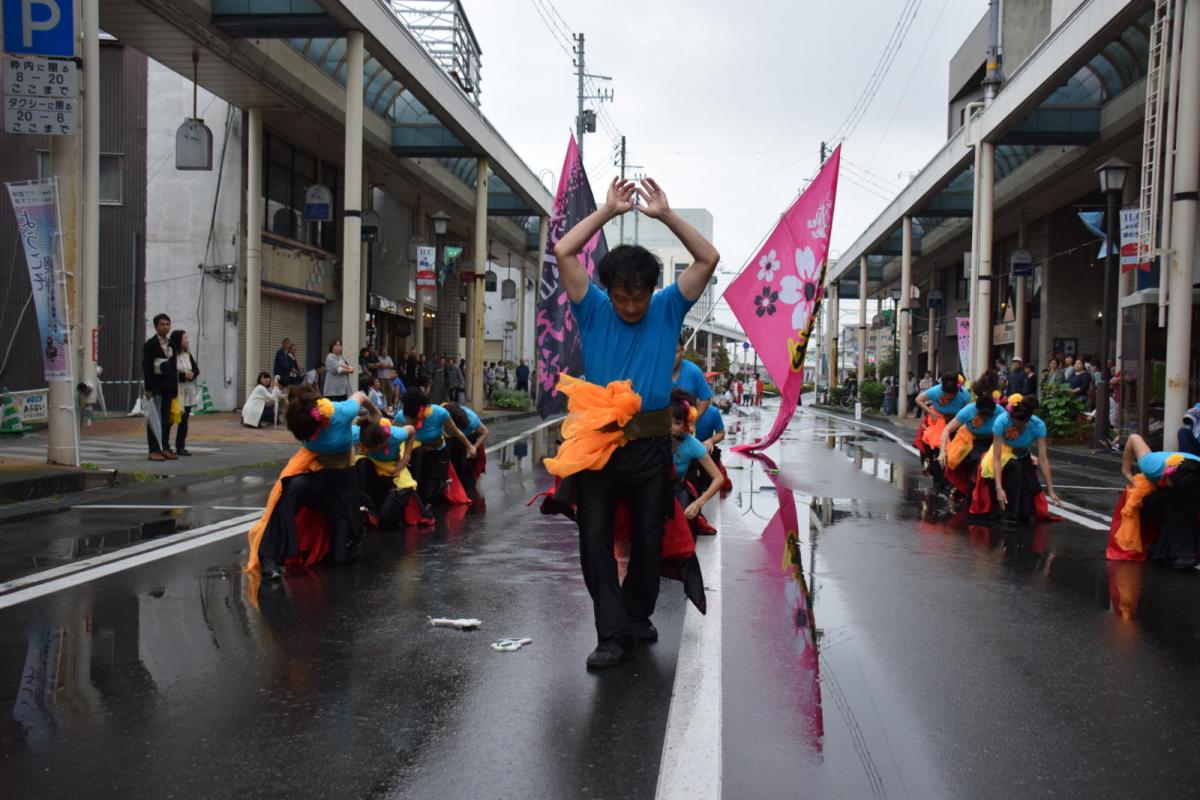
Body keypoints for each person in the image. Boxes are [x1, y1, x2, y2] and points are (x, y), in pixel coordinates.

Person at [547, 176, 719, 670]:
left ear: (651, 291)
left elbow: (708, 258)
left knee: (648, 537)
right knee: (594, 537)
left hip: (650, 447)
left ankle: (636, 614)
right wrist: (607, 212)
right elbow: (563, 250)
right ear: (608, 291)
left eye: (638, 297)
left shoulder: (667, 308)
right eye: (621, 296)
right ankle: (611, 634)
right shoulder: (593, 308)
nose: (629, 306)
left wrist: (665, 215)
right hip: (598, 446)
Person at [246, 384, 378, 580]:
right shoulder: (303, 425)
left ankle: (359, 518)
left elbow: (360, 395)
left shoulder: (341, 413)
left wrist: (376, 414)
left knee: (340, 559)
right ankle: (269, 557)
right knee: (290, 488)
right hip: (318, 475)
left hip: (344, 481)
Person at [1108, 434, 1200, 569]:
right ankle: (1165, 547)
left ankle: (1179, 551)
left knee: (1186, 511)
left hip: (1192, 484)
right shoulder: (1151, 465)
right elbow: (1133, 437)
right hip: (1163, 490)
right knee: (1167, 509)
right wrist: (1125, 469)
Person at [969, 394, 1063, 523]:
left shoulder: (1038, 426)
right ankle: (1005, 512)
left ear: (1028, 420)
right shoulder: (1001, 421)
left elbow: (1043, 459)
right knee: (1015, 468)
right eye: (1014, 423)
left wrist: (1051, 490)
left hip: (1023, 454)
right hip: (1003, 453)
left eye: (1021, 425)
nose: (1018, 427)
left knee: (1029, 501)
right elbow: (996, 457)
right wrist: (999, 488)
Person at [401, 389, 476, 509]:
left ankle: (438, 490)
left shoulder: (440, 413)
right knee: (415, 486)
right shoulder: (402, 416)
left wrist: (470, 446)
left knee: (432, 493)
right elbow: (392, 435)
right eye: (411, 419)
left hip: (437, 454)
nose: (414, 423)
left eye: (416, 420)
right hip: (416, 455)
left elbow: (456, 431)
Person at [668, 389, 725, 537]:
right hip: (652, 491)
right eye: (667, 421)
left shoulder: (692, 444)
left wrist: (698, 503)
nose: (671, 427)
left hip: (678, 490)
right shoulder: (652, 439)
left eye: (677, 423)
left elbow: (718, 478)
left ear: (685, 424)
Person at [938, 372, 1003, 499]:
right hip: (971, 442)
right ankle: (971, 492)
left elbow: (1013, 434)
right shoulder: (969, 410)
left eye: (988, 415)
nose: (985, 418)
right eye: (982, 415)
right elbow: (947, 430)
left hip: (994, 442)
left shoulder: (1001, 412)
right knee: (974, 462)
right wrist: (942, 452)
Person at [353, 415, 422, 529]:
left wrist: (405, 459)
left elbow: (412, 429)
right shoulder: (357, 435)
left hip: (392, 467)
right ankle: (366, 507)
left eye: (378, 447)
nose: (377, 450)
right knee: (361, 462)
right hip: (373, 466)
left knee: (386, 520)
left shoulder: (395, 435)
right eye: (373, 449)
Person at [913, 371, 972, 485]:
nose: (948, 397)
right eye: (946, 394)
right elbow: (918, 399)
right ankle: (930, 465)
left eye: (951, 395)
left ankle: (949, 478)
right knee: (929, 445)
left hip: (954, 421)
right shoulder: (936, 391)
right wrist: (931, 413)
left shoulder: (964, 395)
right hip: (936, 419)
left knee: (953, 450)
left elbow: (968, 412)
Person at [142, 313, 177, 461]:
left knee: (166, 419)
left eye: (168, 324)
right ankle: (154, 449)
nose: (165, 327)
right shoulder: (150, 344)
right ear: (156, 326)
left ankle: (165, 447)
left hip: (168, 386)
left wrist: (175, 388)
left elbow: (174, 368)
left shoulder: (172, 344)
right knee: (154, 418)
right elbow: (147, 367)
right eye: (162, 324)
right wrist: (149, 388)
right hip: (156, 386)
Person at [445, 390, 490, 498]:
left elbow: (485, 432)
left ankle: (470, 485)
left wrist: (473, 447)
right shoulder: (444, 415)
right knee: (451, 457)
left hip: (470, 437)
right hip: (451, 438)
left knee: (467, 460)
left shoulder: (472, 420)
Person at [169, 330, 200, 456]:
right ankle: (165, 445)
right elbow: (171, 372)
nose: (187, 340)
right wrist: (182, 375)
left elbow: (196, 370)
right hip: (176, 391)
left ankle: (180, 446)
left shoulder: (188, 354)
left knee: (184, 420)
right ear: (179, 341)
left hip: (188, 391)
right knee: (171, 419)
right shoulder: (172, 355)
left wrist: (192, 375)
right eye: (185, 338)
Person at [690, 400, 729, 495]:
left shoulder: (713, 412)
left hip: (704, 450)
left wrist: (711, 440)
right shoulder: (682, 409)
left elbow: (721, 433)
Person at [671, 336, 713, 417]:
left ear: (683, 351)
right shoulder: (655, 373)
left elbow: (706, 398)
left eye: (676, 351)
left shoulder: (694, 371)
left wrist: (694, 419)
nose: (672, 356)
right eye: (668, 351)